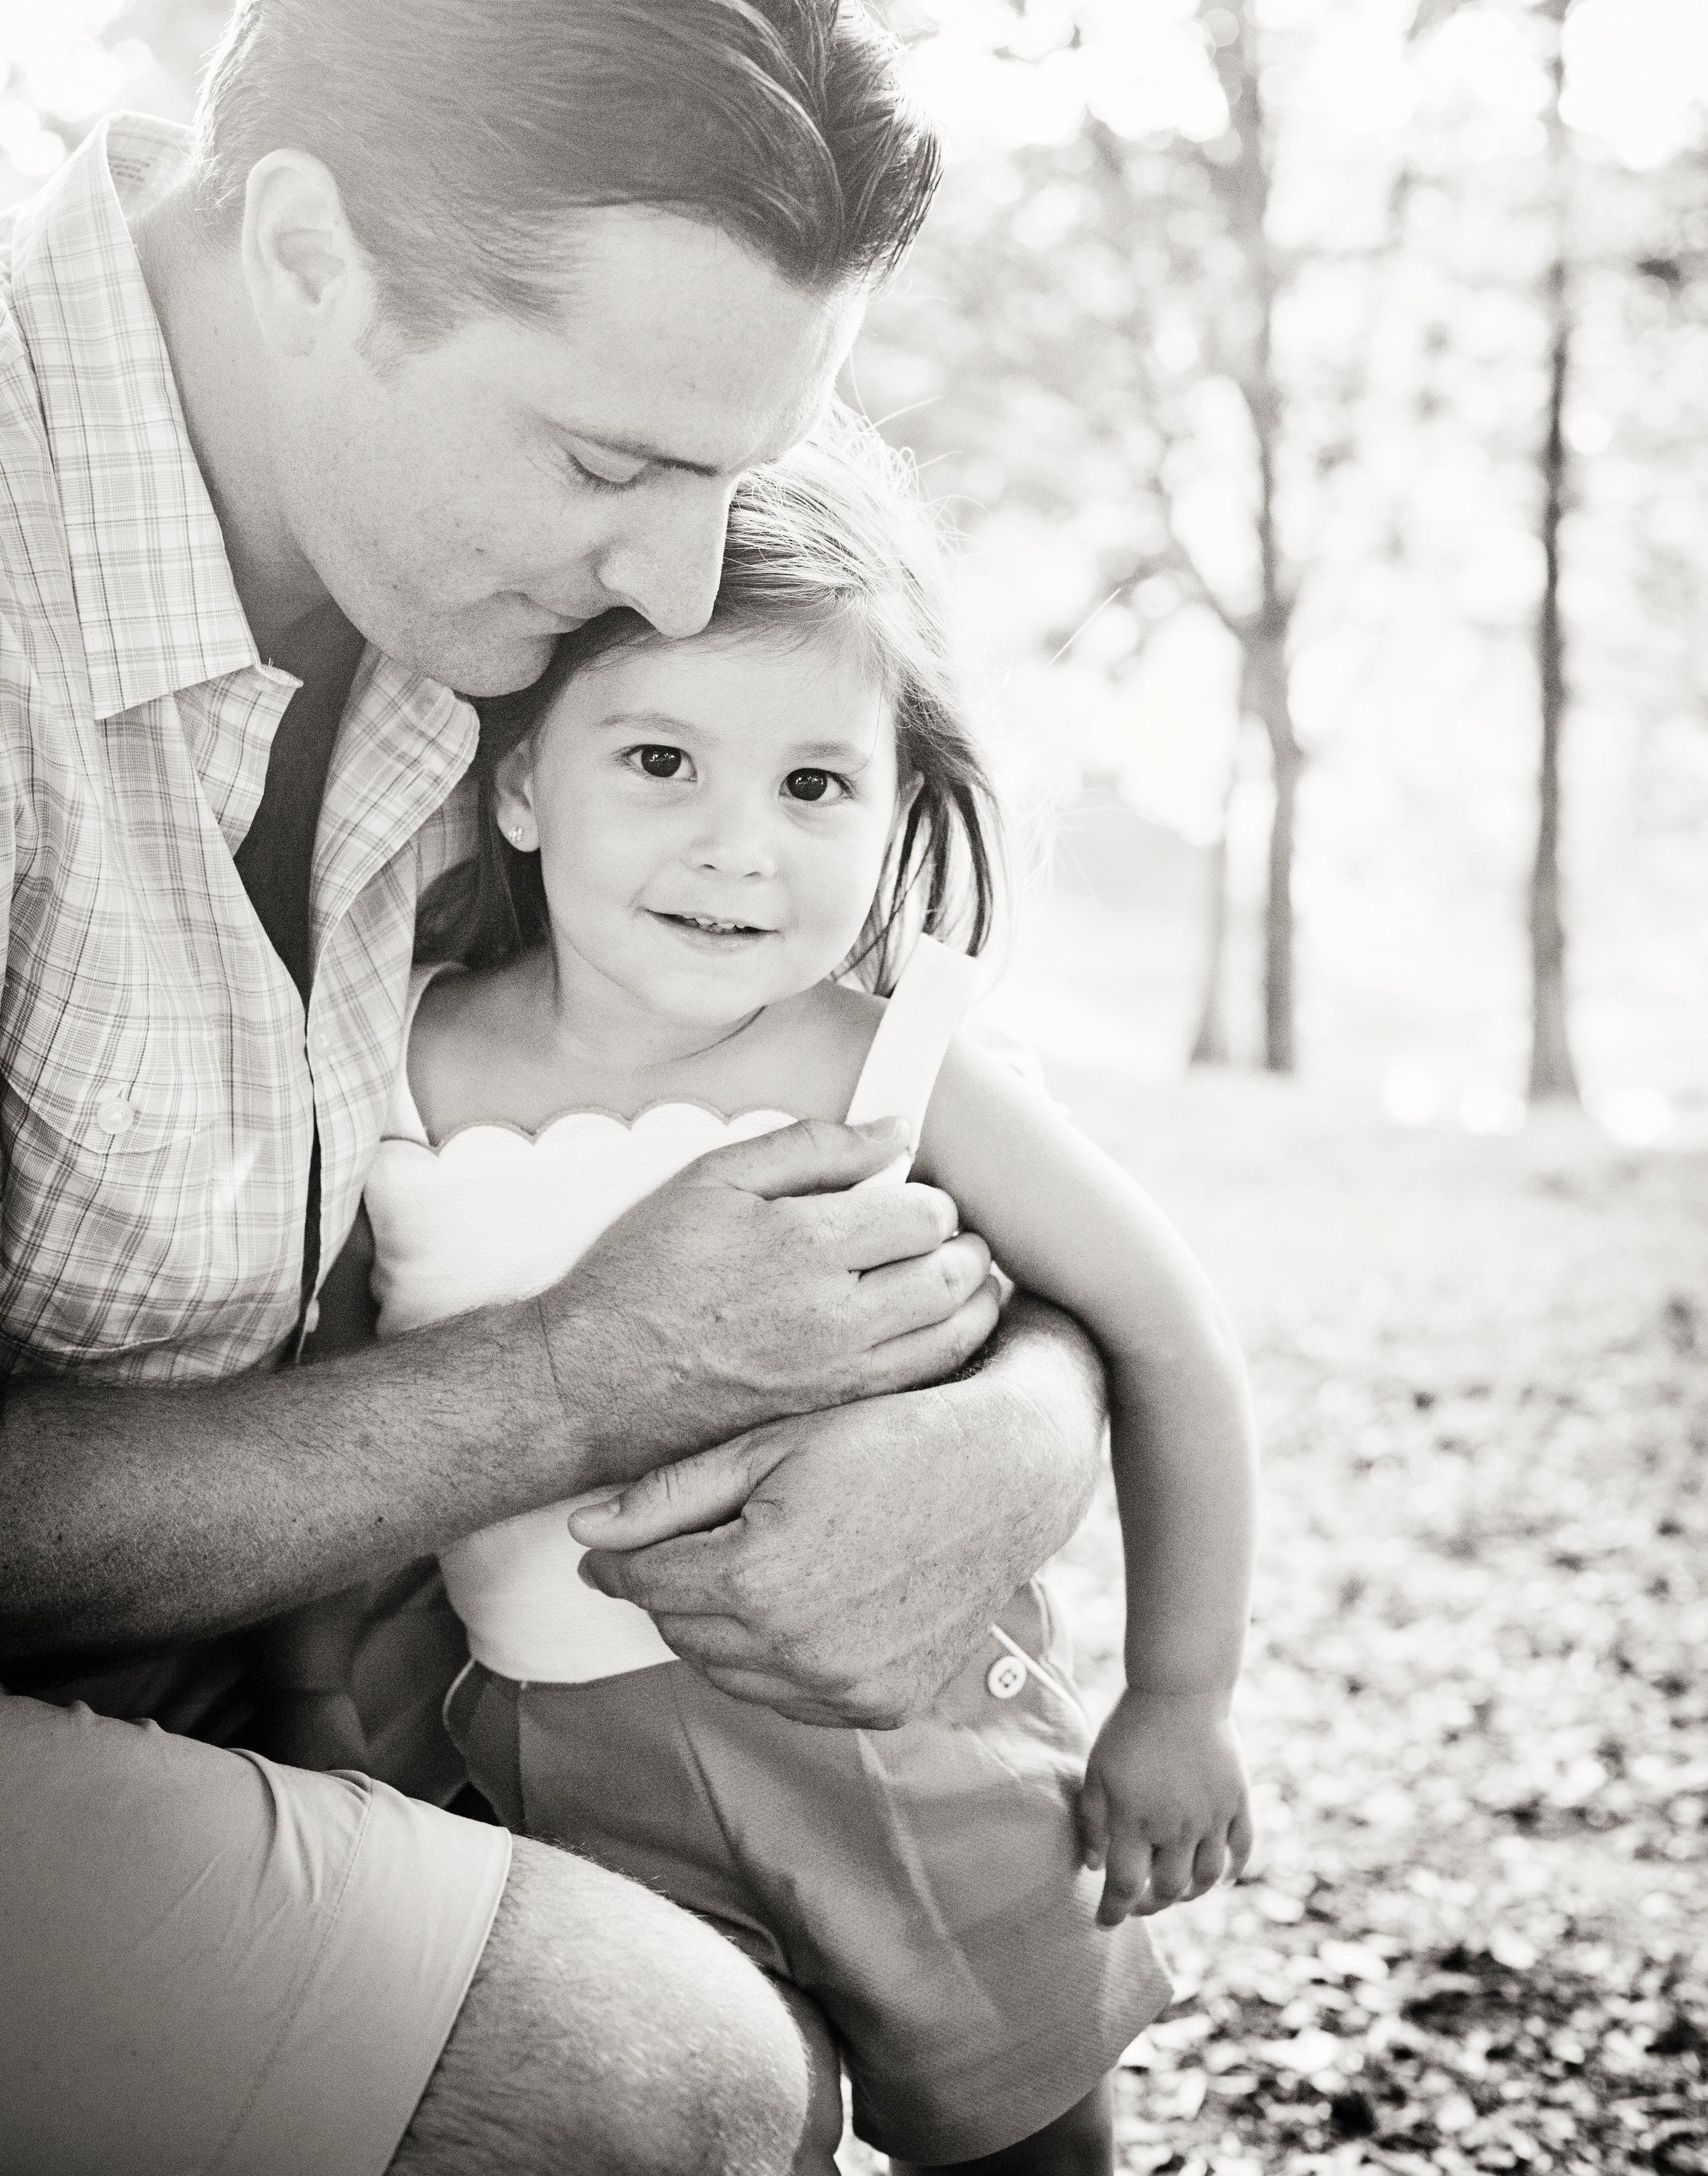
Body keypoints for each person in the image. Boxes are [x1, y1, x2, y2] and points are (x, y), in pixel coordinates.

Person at [0, 0, 1126, 2176]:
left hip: (271, 1702)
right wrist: (585, 1379)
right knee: (665, 2083)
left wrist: (1007, 1434)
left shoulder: (483, 560)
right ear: (314, 258)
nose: (681, 591)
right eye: (615, 467)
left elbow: (901, 1105)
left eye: (726, 477)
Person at [280, 428, 1257, 2174]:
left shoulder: (894, 1063)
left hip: (911, 1748)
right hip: (554, 1763)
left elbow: (1166, 1328)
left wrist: (1178, 1697)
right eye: (660, 759)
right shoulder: (396, 1052)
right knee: (706, 2117)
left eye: (816, 785)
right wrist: (306, 1705)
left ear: (894, 809)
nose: (741, 848)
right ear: (517, 785)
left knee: (1030, 2143)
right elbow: (322, 1408)